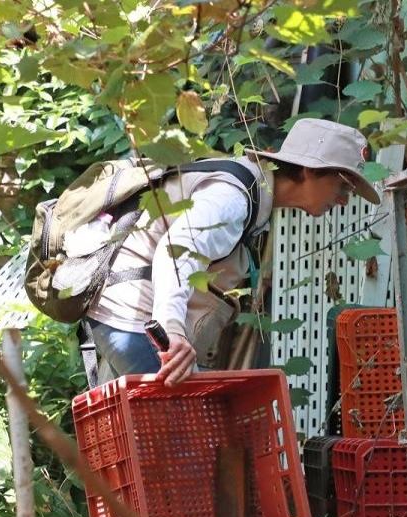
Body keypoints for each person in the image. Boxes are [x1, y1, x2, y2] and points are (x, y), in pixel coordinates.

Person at [83, 118, 381, 387]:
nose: (344, 200)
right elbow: (176, 251)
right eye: (344, 186)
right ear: (310, 170)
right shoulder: (233, 198)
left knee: (137, 427)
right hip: (135, 319)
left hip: (126, 317)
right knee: (182, 427)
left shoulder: (253, 195)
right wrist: (172, 330)